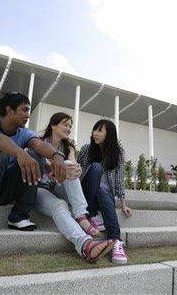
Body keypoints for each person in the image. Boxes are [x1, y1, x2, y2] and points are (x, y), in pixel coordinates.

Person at [0, 92, 66, 233]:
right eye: (25, 110)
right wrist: (20, 153)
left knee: (36, 156)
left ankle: (19, 216)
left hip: (1, 192)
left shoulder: (23, 132)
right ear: (10, 110)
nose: (28, 115)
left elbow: (38, 145)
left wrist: (57, 155)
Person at [34, 112, 115, 263]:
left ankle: (80, 214)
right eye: (65, 124)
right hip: (39, 190)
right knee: (60, 205)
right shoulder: (37, 142)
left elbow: (72, 163)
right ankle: (85, 245)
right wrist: (55, 166)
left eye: (70, 126)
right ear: (53, 125)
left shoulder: (68, 147)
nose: (69, 128)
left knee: (68, 165)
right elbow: (42, 162)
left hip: (58, 187)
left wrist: (77, 169)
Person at [78, 119, 132, 264]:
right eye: (94, 130)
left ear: (109, 134)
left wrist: (123, 204)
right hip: (87, 193)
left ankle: (116, 242)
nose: (95, 133)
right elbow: (78, 173)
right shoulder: (86, 149)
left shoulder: (118, 153)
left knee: (103, 190)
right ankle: (92, 214)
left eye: (100, 130)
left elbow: (120, 178)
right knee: (96, 168)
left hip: (104, 195)